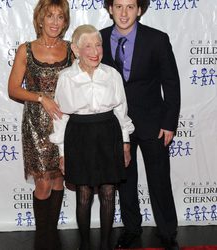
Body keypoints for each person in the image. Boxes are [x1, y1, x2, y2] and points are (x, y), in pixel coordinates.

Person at [100, 0, 181, 249]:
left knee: (159, 180)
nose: (124, 13)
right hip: (116, 125)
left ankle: (167, 232)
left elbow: (171, 83)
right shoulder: (98, 39)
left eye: (131, 6)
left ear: (140, 9)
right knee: (125, 180)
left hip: (153, 123)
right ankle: (131, 228)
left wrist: (169, 123)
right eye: (119, 6)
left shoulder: (157, 39)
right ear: (110, 9)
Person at [50, 24, 135, 250]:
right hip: (78, 135)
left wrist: (125, 143)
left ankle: (106, 245)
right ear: (76, 50)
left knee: (108, 191)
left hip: (109, 133)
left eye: (98, 45)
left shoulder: (112, 74)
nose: (94, 51)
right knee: (84, 193)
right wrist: (62, 153)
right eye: (87, 46)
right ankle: (85, 245)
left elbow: (121, 111)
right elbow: (60, 117)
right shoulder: (66, 77)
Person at [8, 0, 73, 249]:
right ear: (40, 19)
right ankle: (41, 237)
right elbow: (13, 89)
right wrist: (40, 97)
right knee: (43, 182)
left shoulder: (71, 49)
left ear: (65, 21)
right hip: (36, 125)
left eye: (60, 17)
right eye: (50, 16)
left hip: (65, 125)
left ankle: (52, 233)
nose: (55, 22)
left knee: (58, 179)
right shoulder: (25, 50)